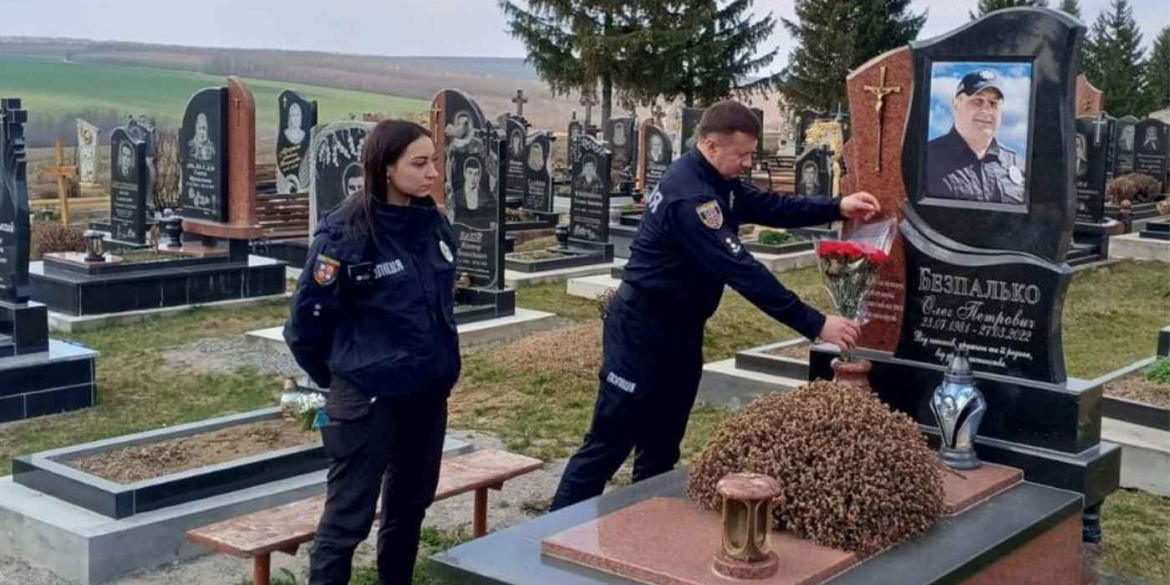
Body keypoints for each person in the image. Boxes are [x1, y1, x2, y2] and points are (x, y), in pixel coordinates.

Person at [549, 101, 880, 511]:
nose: (746, 163)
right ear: (710, 145)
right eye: (741, 155)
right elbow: (743, 270)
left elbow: (766, 205)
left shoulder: (715, 179)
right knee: (609, 442)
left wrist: (834, 207)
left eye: (750, 155)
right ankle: (549, 539)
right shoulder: (691, 198)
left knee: (663, 443)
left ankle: (647, 526)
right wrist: (815, 323)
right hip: (641, 331)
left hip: (681, 333)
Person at [284, 119, 459, 585]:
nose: (432, 173)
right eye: (419, 164)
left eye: (434, 162)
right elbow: (306, 325)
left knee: (409, 510)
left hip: (425, 396)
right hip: (367, 401)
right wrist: (342, 376)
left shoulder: (432, 223)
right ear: (384, 168)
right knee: (347, 522)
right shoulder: (345, 235)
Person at [925, 69, 1025, 205]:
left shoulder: (1016, 163)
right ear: (956, 104)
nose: (986, 110)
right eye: (978, 101)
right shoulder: (926, 158)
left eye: (993, 103)